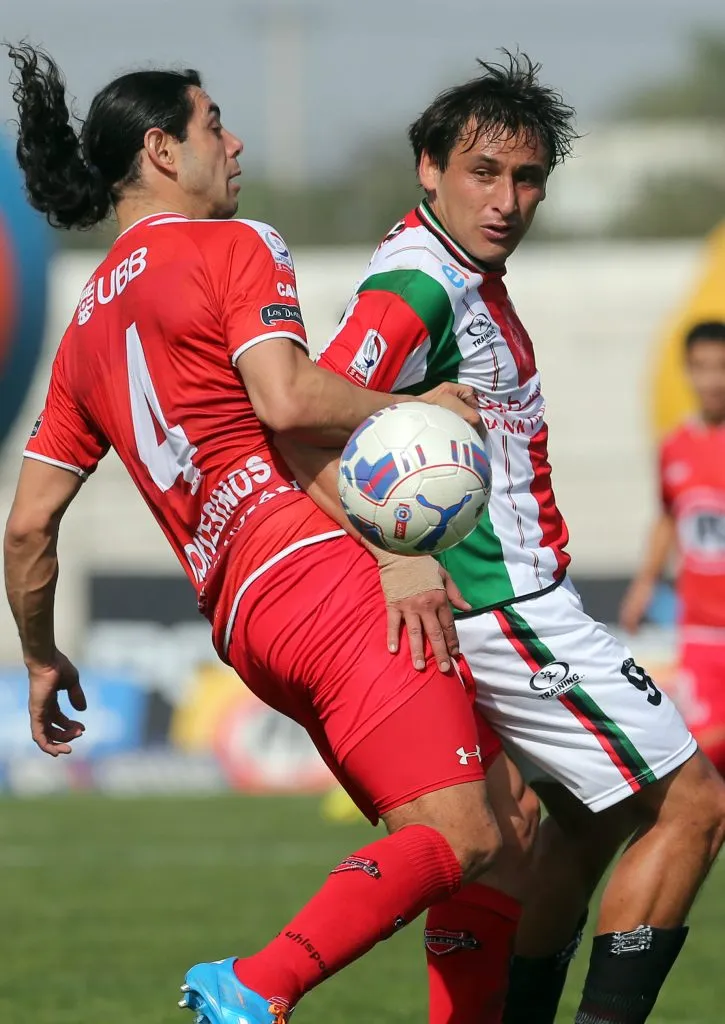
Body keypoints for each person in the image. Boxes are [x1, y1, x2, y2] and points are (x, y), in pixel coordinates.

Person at [2, 44, 538, 1024]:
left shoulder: (84, 329)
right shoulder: (230, 244)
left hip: (245, 619)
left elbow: (29, 525)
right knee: (459, 831)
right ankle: (254, 986)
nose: (233, 141)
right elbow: (287, 399)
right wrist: (414, 408)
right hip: (318, 573)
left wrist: (38, 658)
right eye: (214, 124)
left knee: (510, 820)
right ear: (163, 149)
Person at [284, 52, 725, 1024]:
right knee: (693, 804)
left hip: (520, 603)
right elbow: (300, 408)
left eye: (527, 177)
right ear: (428, 168)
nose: (507, 198)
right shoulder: (419, 282)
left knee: (582, 815)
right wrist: (398, 553)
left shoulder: (465, 274)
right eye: (483, 172)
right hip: (506, 607)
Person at [620, 321, 725, 776]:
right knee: (701, 760)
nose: (712, 379)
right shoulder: (675, 447)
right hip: (700, 628)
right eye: (701, 367)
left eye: (721, 367)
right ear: (687, 371)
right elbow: (668, 516)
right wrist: (645, 584)